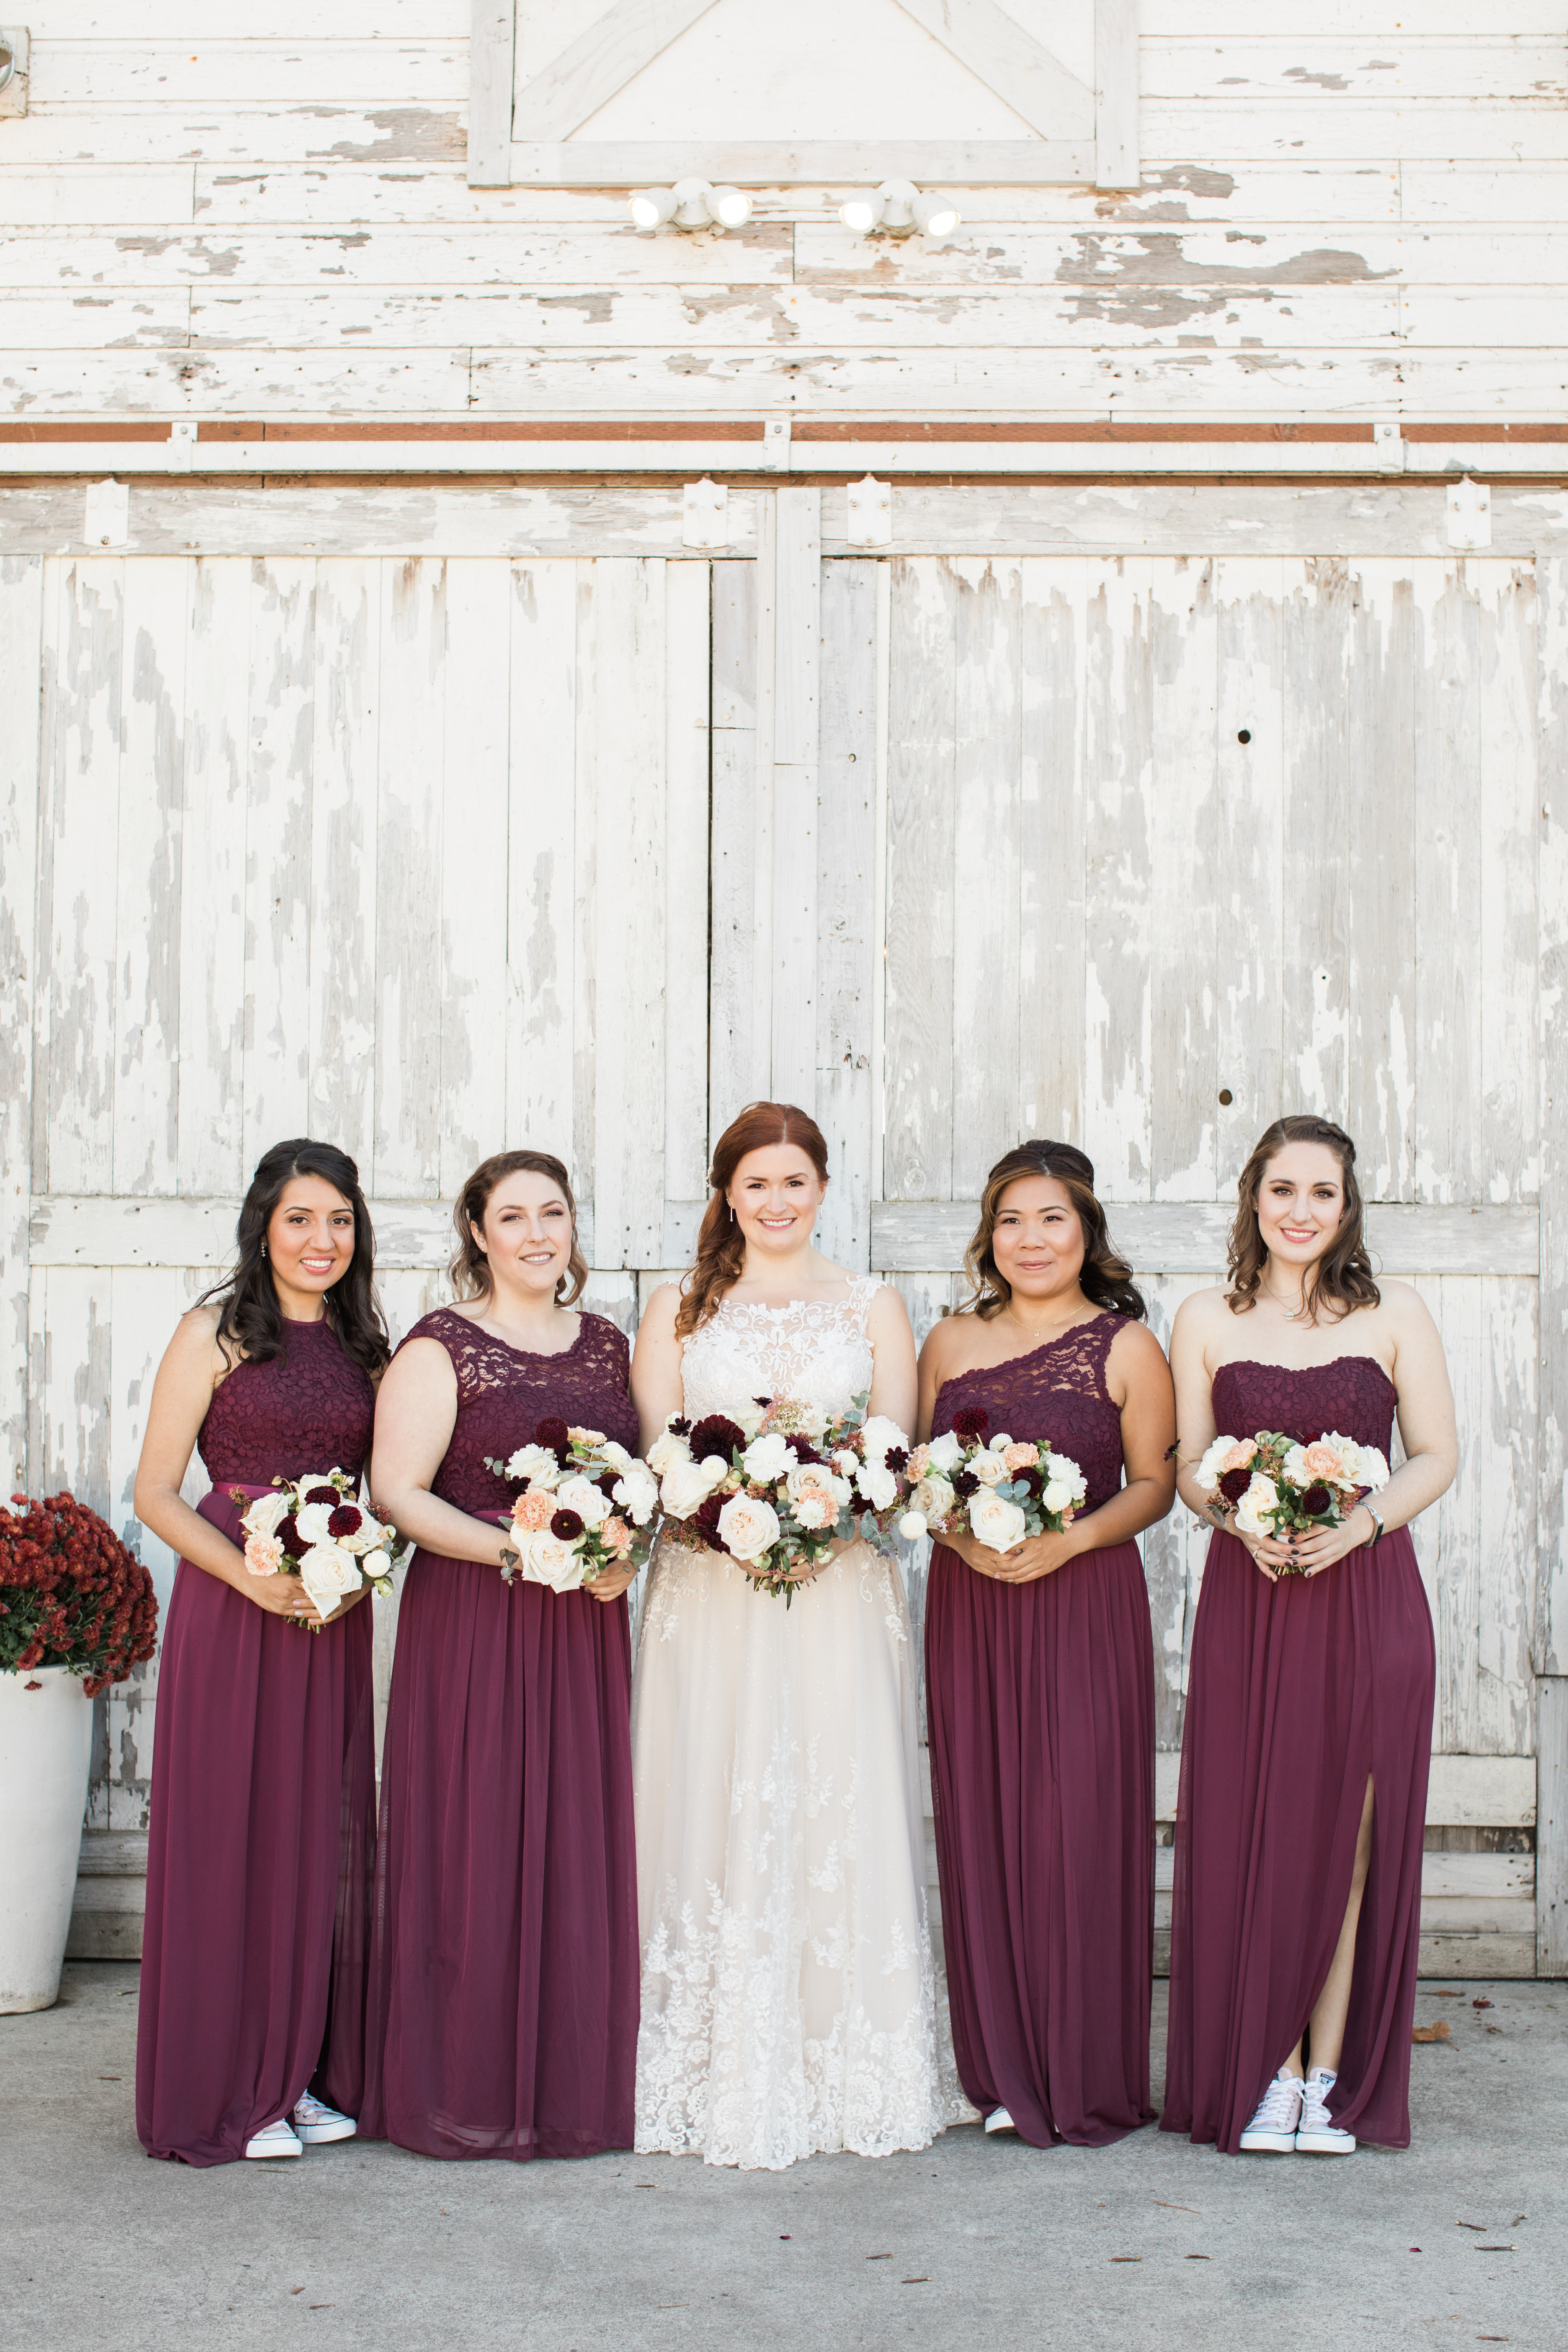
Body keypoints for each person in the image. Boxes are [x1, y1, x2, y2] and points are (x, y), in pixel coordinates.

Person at [630, 1101, 962, 2169]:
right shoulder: (675, 1306)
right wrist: (723, 1511)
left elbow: (896, 1454)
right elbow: (658, 1458)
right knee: (709, 1792)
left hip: (838, 1586)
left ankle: (844, 2062)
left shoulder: (874, 1304)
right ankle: (699, 2063)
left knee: (835, 1795)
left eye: (796, 1182)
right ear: (728, 1192)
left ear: (825, 1189)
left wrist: (833, 1511)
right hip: (709, 1592)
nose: (776, 1202)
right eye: (756, 1183)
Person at [1162, 1114, 1457, 2156]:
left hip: (1368, 1595)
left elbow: (1434, 1454)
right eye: (1282, 1190)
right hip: (1255, 1594)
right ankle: (1262, 2069)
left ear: (1347, 1206)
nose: (1300, 1211)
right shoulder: (1204, 1316)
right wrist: (1238, 1517)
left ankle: (1323, 2081)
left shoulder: (1394, 1314)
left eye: (1321, 1194)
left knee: (1354, 1839)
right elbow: (1190, 1462)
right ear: (1254, 1198)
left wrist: (1359, 1523)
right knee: (1258, 1825)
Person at [360, 1150, 639, 2160]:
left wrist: (621, 1553)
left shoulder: (608, 1347)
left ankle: (569, 2086)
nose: (535, 1233)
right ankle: (462, 2085)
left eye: (552, 1213)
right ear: (477, 1232)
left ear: (572, 1226)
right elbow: (400, 1492)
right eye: (511, 1216)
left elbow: (639, 1479)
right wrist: (524, 1552)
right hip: (477, 1617)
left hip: (581, 1628)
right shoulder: (443, 1348)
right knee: (473, 1837)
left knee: (573, 1842)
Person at [134, 1139, 388, 2163]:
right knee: (228, 1834)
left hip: (329, 1608)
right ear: (264, 1226)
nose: (321, 1241)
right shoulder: (214, 1334)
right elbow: (154, 1491)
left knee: (309, 1840)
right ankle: (228, 2090)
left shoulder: (366, 1344)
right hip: (236, 1603)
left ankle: (295, 2076)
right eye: (300, 1219)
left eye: (339, 1221)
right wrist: (250, 1576)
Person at [917, 1140, 1174, 2147]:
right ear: (990, 1236)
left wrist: (1067, 1540)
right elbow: (909, 1471)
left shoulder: (1125, 1347)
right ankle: (998, 2073)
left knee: (1076, 1826)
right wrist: (960, 1538)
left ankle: (1081, 2072)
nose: (1031, 1240)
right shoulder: (946, 1341)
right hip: (970, 1604)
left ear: (1087, 1232)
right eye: (1012, 1221)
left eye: (1053, 1219)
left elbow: (1154, 1484)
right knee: (982, 1819)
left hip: (1084, 1601)